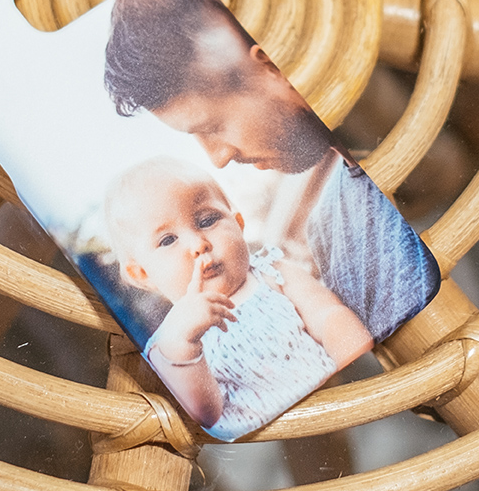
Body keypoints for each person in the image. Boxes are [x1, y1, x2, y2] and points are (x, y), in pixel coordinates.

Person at [104, 0, 440, 343]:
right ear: (139, 274)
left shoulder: (341, 217)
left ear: (269, 65)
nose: (218, 158)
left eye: (213, 127)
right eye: (166, 240)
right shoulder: (185, 337)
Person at [106, 156, 372, 441]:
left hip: (336, 396)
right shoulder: (169, 345)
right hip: (267, 437)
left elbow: (328, 315)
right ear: (142, 274)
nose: (198, 245)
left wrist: (355, 361)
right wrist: (184, 345)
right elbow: (206, 413)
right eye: (168, 240)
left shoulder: (272, 272)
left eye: (207, 220)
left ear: (238, 222)